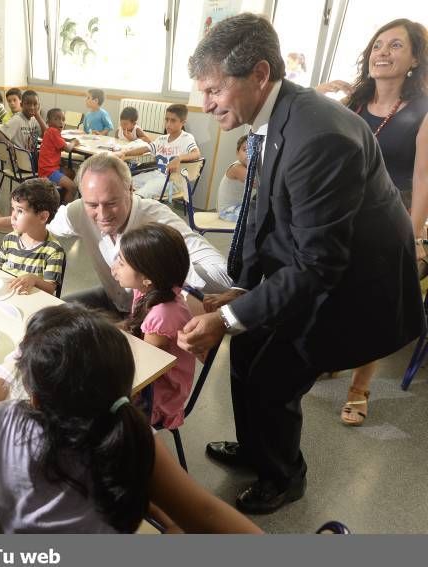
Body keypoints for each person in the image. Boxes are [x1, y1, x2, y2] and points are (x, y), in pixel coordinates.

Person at [178, 13, 423, 514]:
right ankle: (256, 449)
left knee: (274, 378)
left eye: (213, 90)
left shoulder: (319, 135)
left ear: (260, 74)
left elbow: (319, 266)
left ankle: (285, 476)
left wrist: (225, 317)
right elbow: (269, 216)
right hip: (316, 262)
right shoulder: (276, 114)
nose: (204, 105)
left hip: (353, 285)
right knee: (246, 351)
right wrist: (244, 294)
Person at [0, 304, 262, 534]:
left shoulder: (1, 420)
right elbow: (205, 514)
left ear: (33, 397)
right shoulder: (131, 434)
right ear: (128, 389)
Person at [316, 19, 428, 426]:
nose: (382, 52)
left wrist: (411, 237)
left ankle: (360, 387)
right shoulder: (355, 104)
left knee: (373, 304)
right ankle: (332, 358)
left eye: (395, 45)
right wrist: (316, 95)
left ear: (415, 59)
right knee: (330, 290)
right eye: (378, 44)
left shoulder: (423, 111)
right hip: (341, 210)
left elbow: (422, 178)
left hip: (390, 215)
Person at [0, 153, 231, 315]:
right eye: (93, 204)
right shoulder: (79, 211)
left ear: (130, 190)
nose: (102, 214)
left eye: (112, 202)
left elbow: (222, 274)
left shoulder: (156, 220)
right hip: (112, 298)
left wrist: (171, 277)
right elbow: (39, 221)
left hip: (148, 314)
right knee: (48, 315)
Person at [111, 224, 195, 430]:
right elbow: (135, 328)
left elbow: (144, 370)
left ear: (147, 277)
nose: (114, 268)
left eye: (121, 263)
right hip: (149, 374)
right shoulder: (150, 290)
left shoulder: (163, 315)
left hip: (158, 397)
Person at [0, 179, 65, 296]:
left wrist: (34, 279)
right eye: (13, 209)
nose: (13, 216)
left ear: (42, 217)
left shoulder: (53, 250)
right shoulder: (9, 239)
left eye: (20, 211)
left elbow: (50, 289)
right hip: (6, 298)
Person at [118, 104, 201, 202]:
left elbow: (196, 153)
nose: (168, 124)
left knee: (139, 195)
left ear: (182, 122)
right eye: (166, 119)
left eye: (173, 120)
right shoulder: (162, 139)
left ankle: (137, 211)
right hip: (157, 174)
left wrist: (179, 158)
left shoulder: (186, 138)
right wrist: (124, 153)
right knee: (124, 184)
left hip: (172, 183)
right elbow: (146, 148)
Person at [37, 108, 80, 203]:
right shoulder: (53, 131)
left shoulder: (49, 131)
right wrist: (73, 142)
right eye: (56, 119)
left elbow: (61, 141)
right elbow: (68, 149)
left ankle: (61, 197)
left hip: (49, 168)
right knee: (73, 187)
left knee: (71, 173)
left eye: (63, 119)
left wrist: (69, 141)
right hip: (48, 172)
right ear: (48, 122)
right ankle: (63, 211)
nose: (61, 122)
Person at [0, 89, 46, 154]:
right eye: (28, 104)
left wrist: (37, 115)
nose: (32, 107)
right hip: (19, 160)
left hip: (31, 156)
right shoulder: (17, 119)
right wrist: (9, 145)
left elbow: (46, 135)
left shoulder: (34, 119)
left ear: (38, 106)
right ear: (21, 105)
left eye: (35, 104)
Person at [216, 135, 252, 222]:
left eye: (252, 150)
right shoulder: (236, 168)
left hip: (237, 207)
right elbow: (258, 183)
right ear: (237, 152)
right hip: (227, 211)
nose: (248, 154)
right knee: (258, 218)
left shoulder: (247, 168)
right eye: (245, 150)